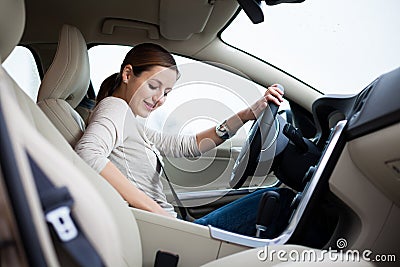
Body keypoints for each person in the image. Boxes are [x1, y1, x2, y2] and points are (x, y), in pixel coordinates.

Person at [75, 43, 294, 237]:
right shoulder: (115, 108)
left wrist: (246, 114)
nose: (159, 99)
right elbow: (88, 153)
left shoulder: (130, 120)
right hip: (167, 233)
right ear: (128, 74)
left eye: (167, 92)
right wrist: (159, 213)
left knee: (274, 201)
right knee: (281, 201)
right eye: (153, 86)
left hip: (171, 228)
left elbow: (187, 146)